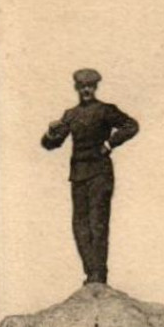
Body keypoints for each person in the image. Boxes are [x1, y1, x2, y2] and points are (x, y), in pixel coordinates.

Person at [41, 68, 139, 286]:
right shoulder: (71, 115)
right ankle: (90, 273)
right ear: (77, 88)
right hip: (78, 175)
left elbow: (131, 125)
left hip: (100, 172)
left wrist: (110, 143)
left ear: (95, 87)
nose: (86, 90)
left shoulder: (105, 110)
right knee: (79, 225)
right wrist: (50, 132)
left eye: (90, 86)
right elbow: (52, 144)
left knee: (97, 223)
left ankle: (99, 275)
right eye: (82, 86)